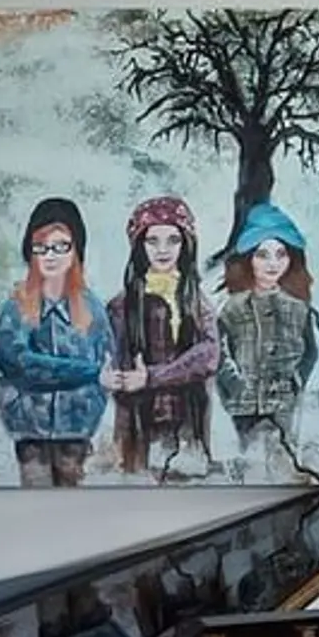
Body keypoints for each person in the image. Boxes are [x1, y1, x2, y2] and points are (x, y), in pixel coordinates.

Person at [0, 195, 110, 486]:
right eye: (41, 248)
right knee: (36, 500)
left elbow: (106, 362)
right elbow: (18, 363)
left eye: (60, 247)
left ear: (75, 250)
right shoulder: (16, 308)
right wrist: (86, 373)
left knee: (72, 506)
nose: (50, 256)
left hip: (76, 432)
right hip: (30, 432)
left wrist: (90, 404)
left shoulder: (92, 309)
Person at [102, 192, 221, 478]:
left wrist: (153, 377)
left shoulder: (194, 300)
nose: (163, 250)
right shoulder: (121, 305)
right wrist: (108, 376)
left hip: (187, 419)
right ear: (140, 246)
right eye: (152, 240)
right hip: (136, 422)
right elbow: (109, 357)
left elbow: (209, 354)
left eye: (173, 240)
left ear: (186, 244)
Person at [213, 200, 319, 478]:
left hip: (283, 399)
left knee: (283, 459)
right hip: (244, 402)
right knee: (248, 461)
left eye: (280, 254)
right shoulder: (232, 308)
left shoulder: (298, 308)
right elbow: (219, 351)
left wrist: (296, 381)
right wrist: (234, 385)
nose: (273, 264)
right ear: (249, 258)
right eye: (263, 255)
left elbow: (311, 352)